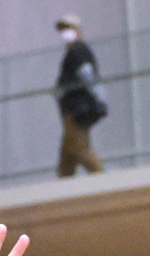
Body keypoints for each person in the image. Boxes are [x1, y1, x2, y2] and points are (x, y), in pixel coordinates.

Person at [53, 17, 106, 177]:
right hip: (71, 109)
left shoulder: (78, 50)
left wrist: (99, 97)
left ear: (78, 31)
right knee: (68, 156)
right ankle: (65, 184)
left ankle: (104, 180)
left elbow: (87, 74)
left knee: (80, 148)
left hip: (76, 109)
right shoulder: (73, 51)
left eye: (69, 29)